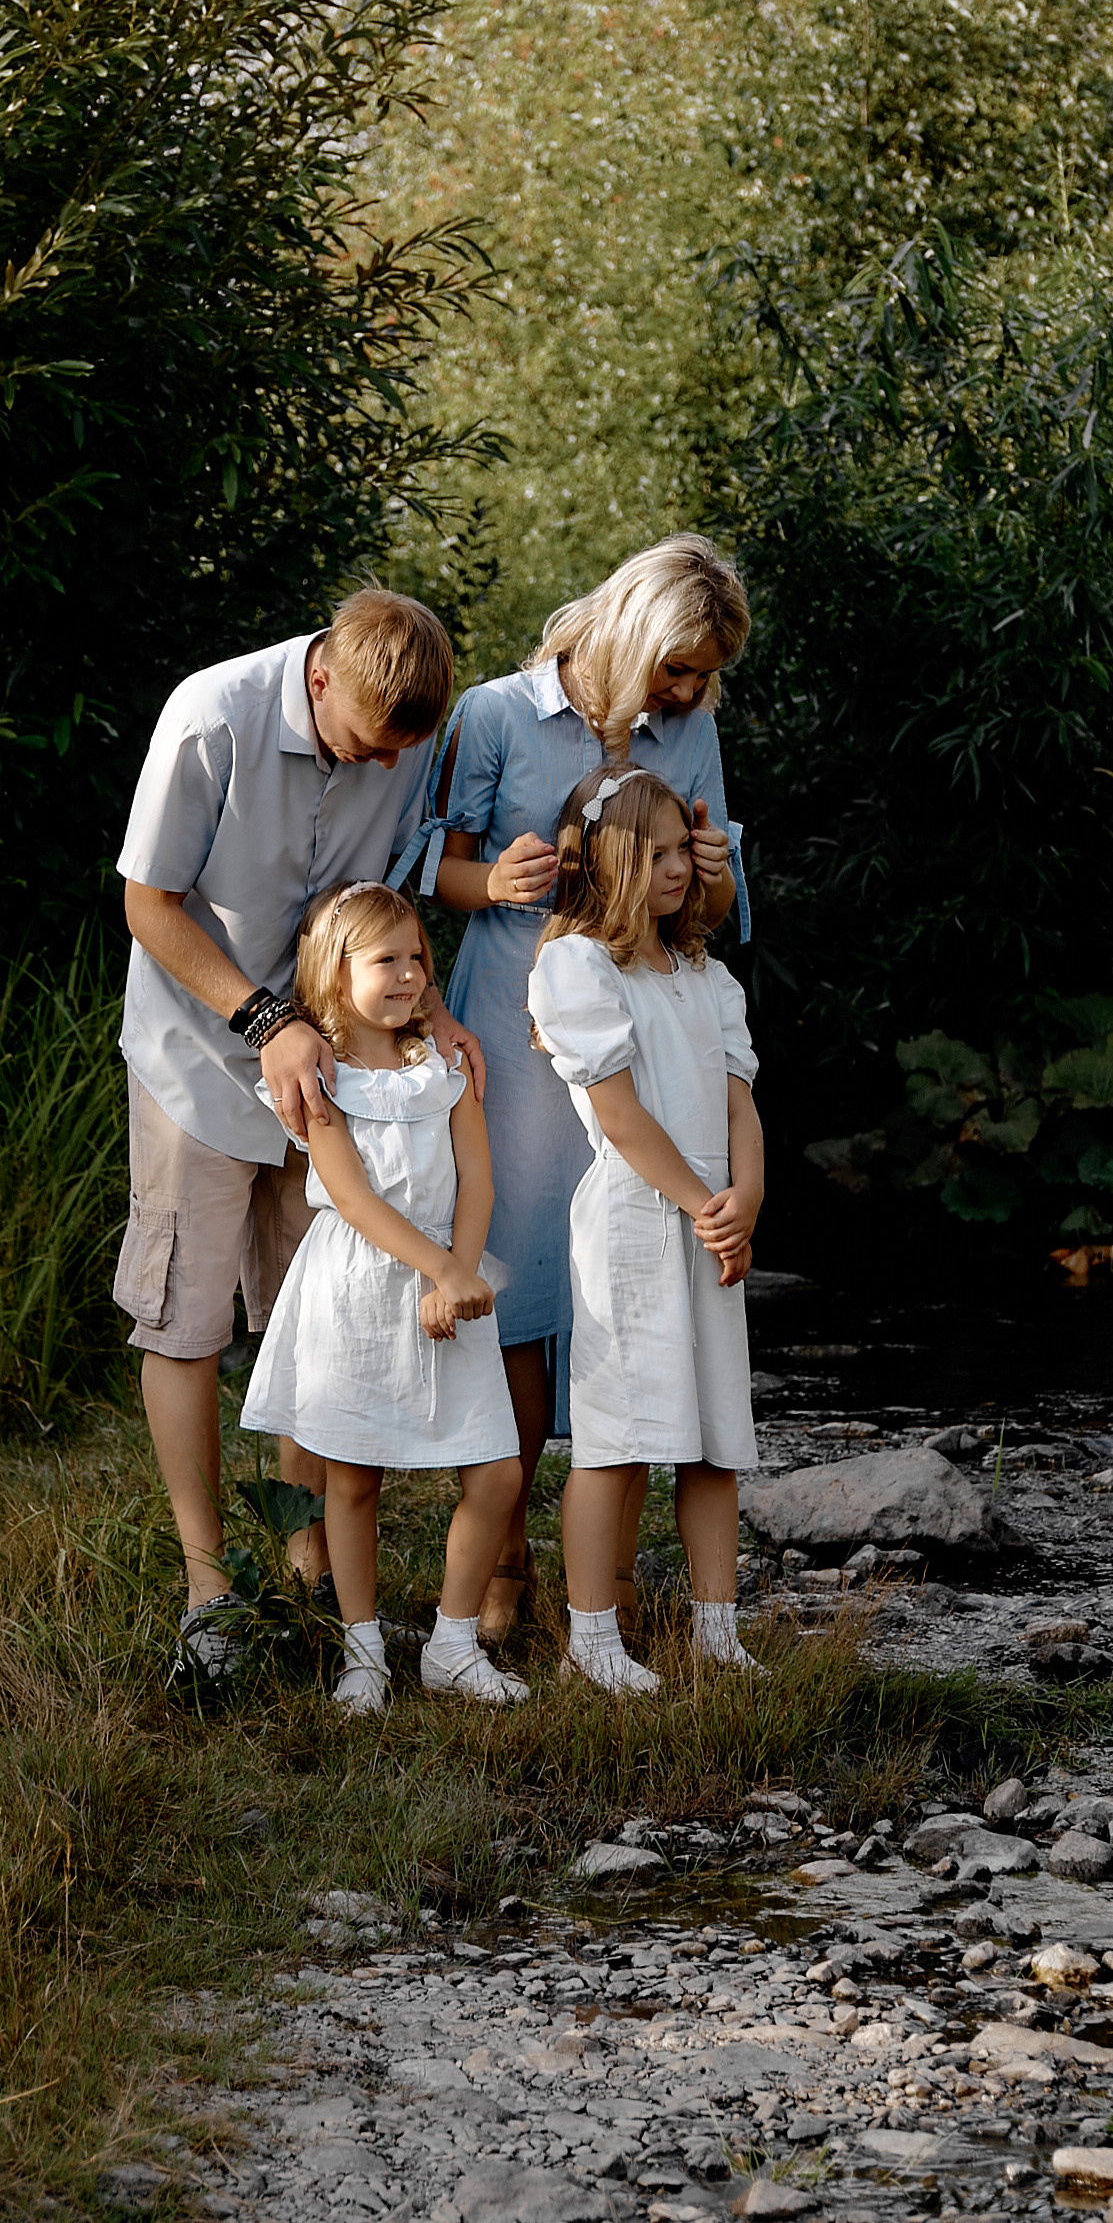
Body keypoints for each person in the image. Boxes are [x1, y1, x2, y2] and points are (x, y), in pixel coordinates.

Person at [114, 590, 478, 1690]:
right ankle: (208, 1588)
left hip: (337, 1073)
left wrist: (432, 1005)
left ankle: (308, 1565)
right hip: (200, 1056)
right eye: (370, 745)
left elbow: (396, 889)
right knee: (186, 1316)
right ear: (321, 677)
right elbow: (148, 901)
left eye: (401, 753)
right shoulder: (209, 719)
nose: (385, 769)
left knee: (308, 1311)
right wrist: (267, 1020)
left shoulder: (408, 736)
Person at [401, 533, 752, 1644]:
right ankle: (503, 1551)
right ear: (634, 634)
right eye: (679, 669)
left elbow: (722, 904)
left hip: (641, 1029)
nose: (692, 694)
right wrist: (488, 877)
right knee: (526, 1293)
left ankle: (597, 1572)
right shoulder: (500, 714)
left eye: (703, 679)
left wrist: (712, 873)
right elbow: (430, 870)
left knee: (633, 1283)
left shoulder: (690, 732)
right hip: (518, 1018)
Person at [238, 882, 527, 1714]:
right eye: (385, 960)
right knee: (353, 1476)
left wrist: (460, 1271)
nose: (408, 975)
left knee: (497, 1472)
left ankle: (450, 1640)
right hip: (361, 1283)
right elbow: (355, 1199)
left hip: (455, 1277)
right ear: (333, 975)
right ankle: (362, 1650)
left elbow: (476, 1175)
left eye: (417, 958)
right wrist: (439, 1271)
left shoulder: (444, 1064)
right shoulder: (320, 1078)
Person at [526, 765, 764, 1695]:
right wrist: (704, 1205)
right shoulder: (577, 965)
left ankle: (716, 1628)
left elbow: (741, 1103)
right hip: (634, 1215)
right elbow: (619, 1114)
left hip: (712, 1223)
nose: (681, 869)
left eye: (683, 851)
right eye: (657, 853)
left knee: (713, 1438)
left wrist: (743, 1198)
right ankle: (590, 1639)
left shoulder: (705, 973)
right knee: (617, 1434)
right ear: (612, 859)